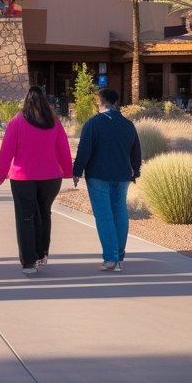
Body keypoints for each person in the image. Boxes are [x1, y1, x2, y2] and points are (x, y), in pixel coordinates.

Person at [0, 86, 73, 275]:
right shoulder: (54, 122)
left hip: (23, 178)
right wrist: (68, 172)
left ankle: (29, 262)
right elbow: (63, 149)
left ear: (26, 101)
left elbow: (6, 152)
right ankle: (42, 253)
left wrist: (0, 176)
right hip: (51, 177)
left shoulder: (17, 122)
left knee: (26, 217)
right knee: (44, 214)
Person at [72, 88, 142, 272]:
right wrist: (136, 171)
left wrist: (77, 171)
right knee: (120, 212)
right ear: (116, 103)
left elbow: (84, 149)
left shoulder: (93, 123)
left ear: (99, 102)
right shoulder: (128, 124)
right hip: (122, 175)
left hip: (99, 174)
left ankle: (111, 258)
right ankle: (118, 255)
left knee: (104, 216)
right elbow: (136, 151)